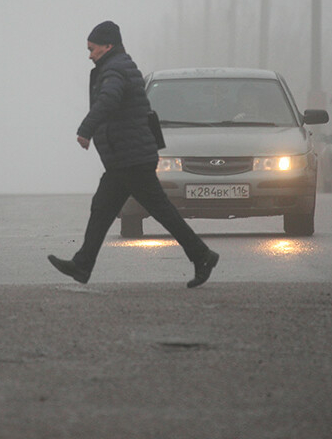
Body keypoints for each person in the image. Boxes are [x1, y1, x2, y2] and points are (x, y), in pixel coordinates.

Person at [47, 20, 219, 288]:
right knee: (103, 209)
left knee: (158, 210)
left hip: (131, 158)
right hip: (125, 157)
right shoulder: (118, 66)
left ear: (108, 46)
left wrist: (86, 129)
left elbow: (109, 99)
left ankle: (202, 255)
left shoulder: (115, 70)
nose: (89, 55)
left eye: (92, 49)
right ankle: (82, 265)